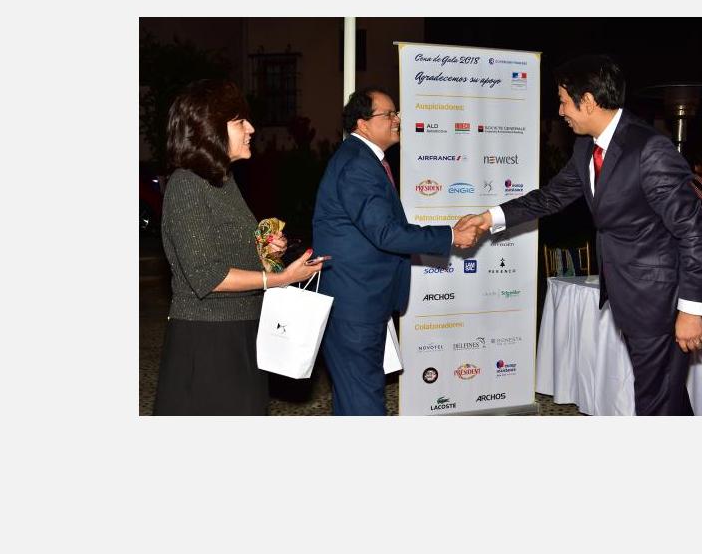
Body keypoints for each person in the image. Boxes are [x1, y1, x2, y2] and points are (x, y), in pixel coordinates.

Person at [461, 55, 702, 415]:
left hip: (658, 301)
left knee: (657, 401)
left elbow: (696, 233)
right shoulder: (587, 147)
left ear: (587, 100)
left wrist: (691, 310)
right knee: (666, 396)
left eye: (564, 101)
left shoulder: (649, 149)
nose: (560, 111)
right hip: (630, 295)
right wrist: (489, 217)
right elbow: (551, 197)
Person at [154, 79, 323, 415]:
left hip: (240, 332)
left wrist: (267, 252)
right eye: (239, 121)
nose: (251, 129)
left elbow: (231, 254)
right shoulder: (187, 185)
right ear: (209, 129)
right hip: (208, 341)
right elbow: (208, 276)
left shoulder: (223, 181)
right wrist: (280, 279)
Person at [312, 87, 480, 415]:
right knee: (364, 402)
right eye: (388, 114)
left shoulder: (361, 159)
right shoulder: (358, 165)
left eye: (396, 113)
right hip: (356, 305)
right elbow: (386, 233)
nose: (397, 119)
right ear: (362, 123)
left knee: (353, 398)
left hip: (359, 300)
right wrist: (450, 235)